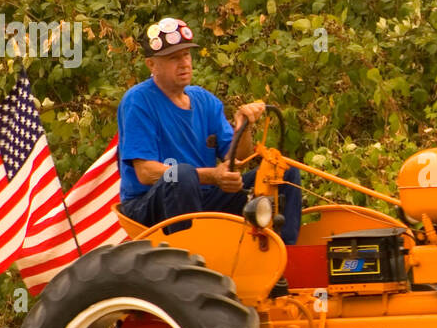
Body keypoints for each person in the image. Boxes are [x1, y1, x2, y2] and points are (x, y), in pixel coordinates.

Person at [117, 16, 301, 242]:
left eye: (186, 54)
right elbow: (145, 172)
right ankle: (191, 258)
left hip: (202, 198)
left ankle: (285, 259)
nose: (184, 63)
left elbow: (238, 157)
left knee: (284, 172)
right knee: (180, 174)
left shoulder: (205, 100)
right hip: (149, 206)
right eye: (173, 58)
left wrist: (244, 127)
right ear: (152, 64)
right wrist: (211, 176)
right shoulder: (139, 100)